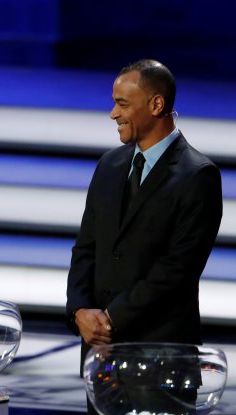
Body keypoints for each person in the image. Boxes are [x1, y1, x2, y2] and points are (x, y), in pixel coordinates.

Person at [66, 59, 222, 414]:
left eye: (122, 104)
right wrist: (79, 310)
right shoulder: (109, 165)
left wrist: (109, 318)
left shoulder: (198, 176)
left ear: (156, 105)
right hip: (101, 358)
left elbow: (178, 269)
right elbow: (86, 246)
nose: (112, 114)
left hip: (160, 358)